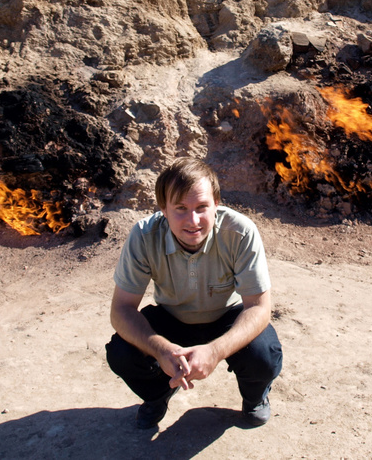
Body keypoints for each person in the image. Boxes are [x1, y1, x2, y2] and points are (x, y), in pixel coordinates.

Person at [105, 157, 283, 429]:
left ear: (217, 205)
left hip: (227, 316)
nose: (193, 220)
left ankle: (255, 398)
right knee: (121, 352)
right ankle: (158, 394)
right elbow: (121, 310)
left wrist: (214, 351)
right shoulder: (144, 235)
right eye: (180, 208)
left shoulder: (240, 232)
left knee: (264, 354)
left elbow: (259, 308)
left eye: (202, 207)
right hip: (171, 318)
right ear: (163, 208)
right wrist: (161, 350)